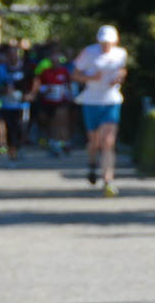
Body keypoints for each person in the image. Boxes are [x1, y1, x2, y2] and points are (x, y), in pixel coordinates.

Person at [72, 25, 129, 198]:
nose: (106, 46)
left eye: (109, 42)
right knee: (94, 141)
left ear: (115, 41)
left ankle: (108, 180)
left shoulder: (121, 53)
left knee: (108, 141)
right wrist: (90, 78)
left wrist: (120, 77)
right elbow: (75, 74)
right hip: (91, 101)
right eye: (104, 42)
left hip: (111, 100)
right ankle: (92, 164)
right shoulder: (89, 53)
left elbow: (122, 70)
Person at [0, 44, 31, 163]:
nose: (13, 57)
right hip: (6, 104)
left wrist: (30, 95)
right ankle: (12, 153)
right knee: (9, 128)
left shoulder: (25, 68)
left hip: (22, 105)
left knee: (21, 128)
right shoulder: (1, 69)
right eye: (10, 55)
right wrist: (3, 90)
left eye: (15, 54)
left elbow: (35, 81)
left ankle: (19, 147)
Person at [28, 48, 75, 157]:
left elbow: (69, 85)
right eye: (53, 61)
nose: (55, 63)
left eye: (57, 60)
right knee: (50, 123)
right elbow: (38, 84)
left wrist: (70, 96)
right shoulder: (45, 72)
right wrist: (44, 89)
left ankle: (64, 143)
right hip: (48, 102)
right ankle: (53, 143)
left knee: (60, 121)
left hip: (61, 101)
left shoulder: (64, 71)